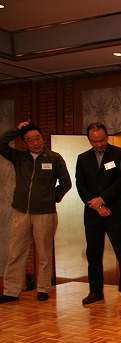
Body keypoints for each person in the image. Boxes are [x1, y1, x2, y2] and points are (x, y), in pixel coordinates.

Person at [0, 122, 71, 303]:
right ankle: (11, 291)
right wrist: (16, 130)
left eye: (38, 138)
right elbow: (1, 144)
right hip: (21, 211)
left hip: (45, 213)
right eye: (30, 140)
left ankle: (43, 289)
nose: (36, 142)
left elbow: (66, 182)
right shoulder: (19, 157)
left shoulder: (54, 158)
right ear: (24, 143)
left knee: (44, 253)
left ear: (42, 138)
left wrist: (52, 197)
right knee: (16, 252)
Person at [76, 122, 121, 305]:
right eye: (95, 141)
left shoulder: (119, 153)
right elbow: (80, 185)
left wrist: (103, 199)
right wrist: (96, 205)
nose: (99, 144)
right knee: (93, 253)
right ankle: (95, 291)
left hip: (115, 211)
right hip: (93, 213)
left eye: (102, 140)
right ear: (89, 140)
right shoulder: (83, 158)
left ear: (107, 136)